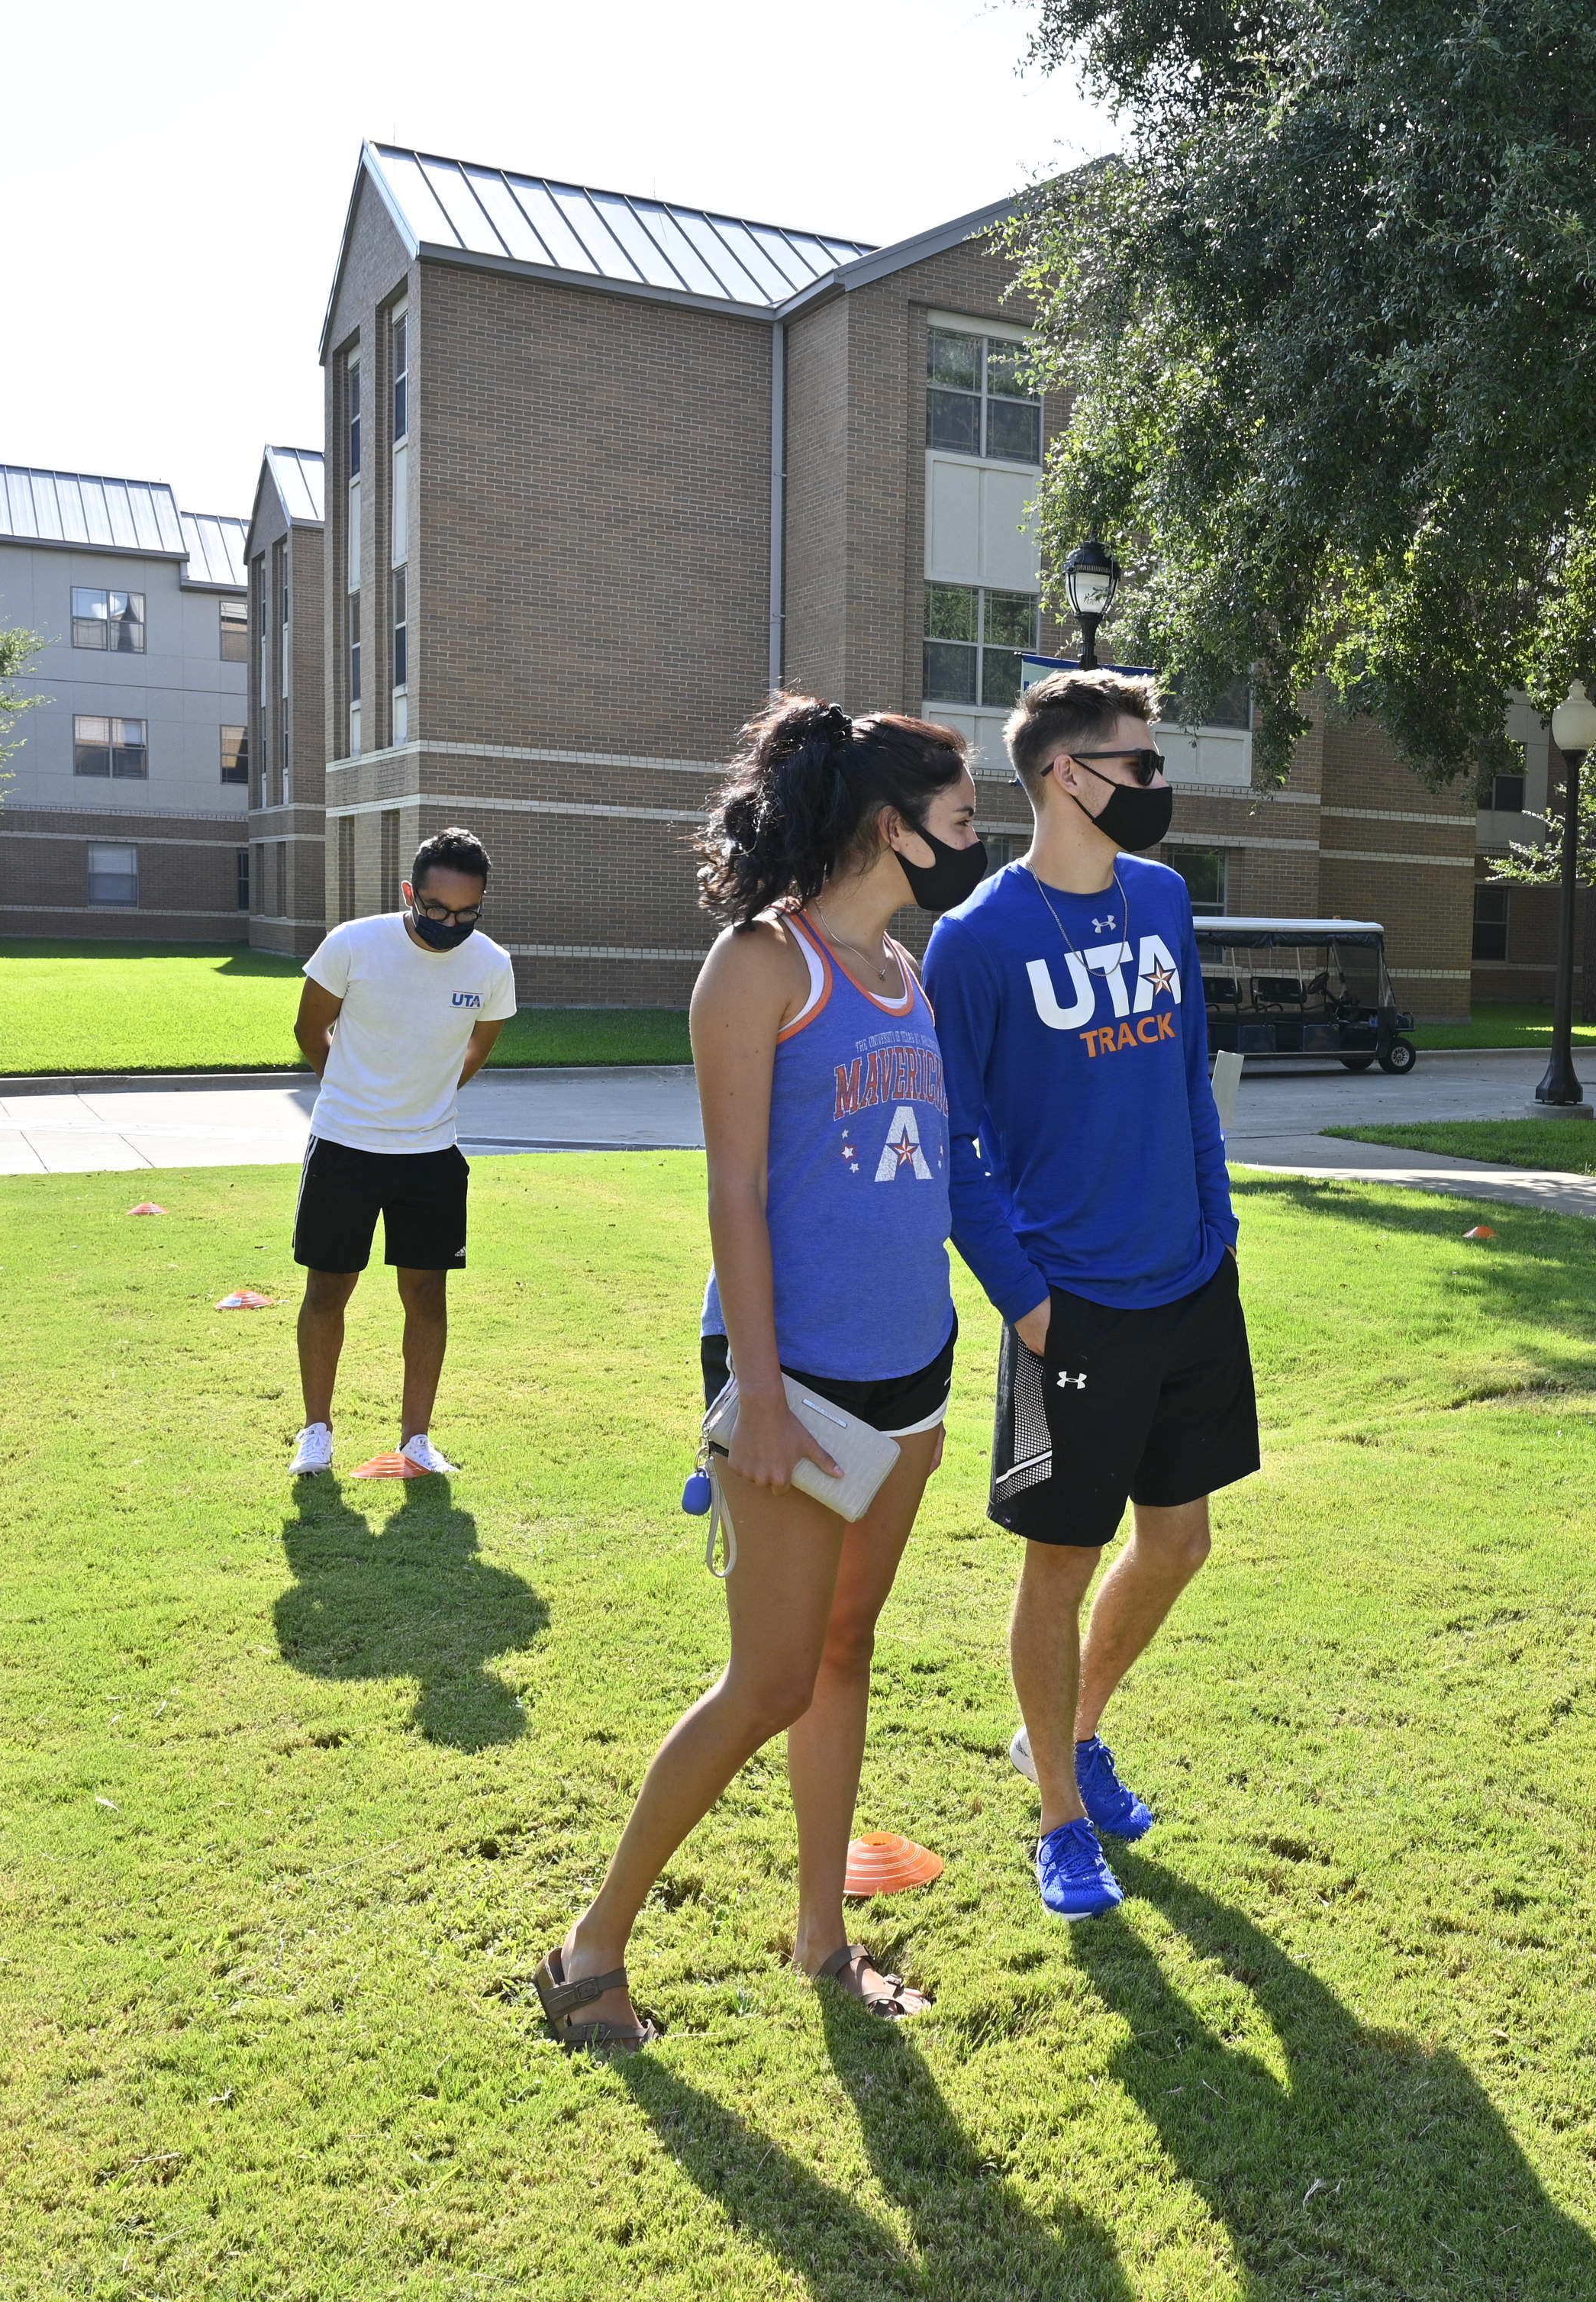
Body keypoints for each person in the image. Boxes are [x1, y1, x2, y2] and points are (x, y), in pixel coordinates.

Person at [534, 704, 990, 2051]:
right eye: (962, 820)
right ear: (885, 825)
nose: (975, 842)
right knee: (766, 1681)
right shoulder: (756, 965)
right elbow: (734, 1195)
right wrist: (768, 1392)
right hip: (796, 1383)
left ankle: (820, 1936)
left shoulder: (905, 971)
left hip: (913, 1374)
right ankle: (587, 1949)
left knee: (845, 1652)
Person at [924, 667, 1253, 1923]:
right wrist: (1023, 1297)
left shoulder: (1164, 900)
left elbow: (1187, 1078)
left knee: (1178, 1541)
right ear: (1067, 773)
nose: (1157, 785)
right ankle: (1059, 1818)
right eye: (1139, 763)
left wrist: (1214, 1220)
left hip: (1188, 1281)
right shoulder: (978, 938)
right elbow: (954, 1143)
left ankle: (1070, 1737)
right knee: (1058, 1565)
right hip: (1072, 1306)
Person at [287, 827, 515, 1478]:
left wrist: (425, 1097)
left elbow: (476, 1049)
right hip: (344, 1148)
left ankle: (417, 1439)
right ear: (410, 893)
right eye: (439, 910)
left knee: (427, 1294)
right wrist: (356, 1094)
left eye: (468, 912)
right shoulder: (353, 945)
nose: (452, 923)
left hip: (431, 1157)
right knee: (328, 1290)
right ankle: (316, 1432)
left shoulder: (490, 965)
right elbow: (310, 1030)